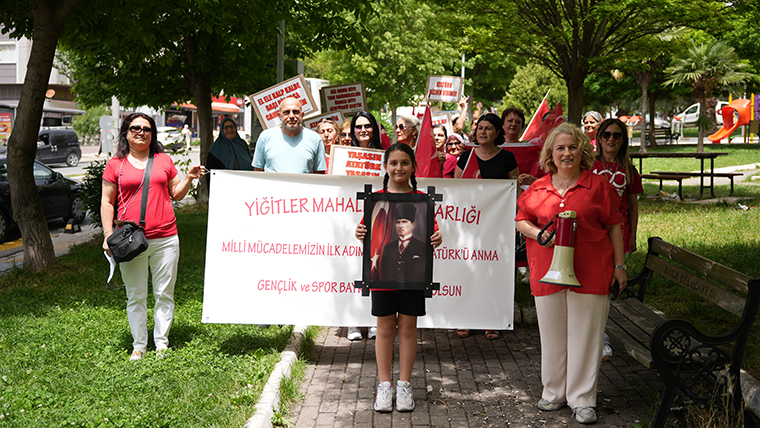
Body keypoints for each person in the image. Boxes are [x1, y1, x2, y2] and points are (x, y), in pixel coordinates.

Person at [515, 122, 626, 424]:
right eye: (560, 148)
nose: (567, 152)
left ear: (583, 151)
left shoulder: (599, 185)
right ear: (550, 153)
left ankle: (582, 399)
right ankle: (553, 393)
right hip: (546, 273)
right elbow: (520, 220)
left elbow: (614, 225)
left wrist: (619, 266)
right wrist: (539, 234)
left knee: (586, 337)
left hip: (591, 271)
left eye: (572, 147)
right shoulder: (538, 187)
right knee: (552, 337)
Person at [101, 112, 205, 361]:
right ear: (126, 133)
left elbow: (177, 194)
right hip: (130, 241)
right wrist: (107, 235)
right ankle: (139, 345)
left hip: (166, 238)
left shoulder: (164, 161)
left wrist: (189, 178)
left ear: (152, 134)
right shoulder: (116, 164)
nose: (141, 132)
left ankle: (161, 343)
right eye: (135, 128)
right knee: (135, 294)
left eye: (146, 129)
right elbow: (107, 202)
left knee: (164, 293)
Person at [355, 143, 442, 413]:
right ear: (385, 166)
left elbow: (432, 230)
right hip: (383, 276)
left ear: (414, 166)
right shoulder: (376, 199)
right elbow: (368, 234)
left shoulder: (421, 201)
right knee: (383, 328)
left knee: (407, 328)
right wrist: (360, 233)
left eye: (405, 163)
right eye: (393, 163)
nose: (399, 168)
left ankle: (404, 385)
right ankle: (384, 385)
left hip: (414, 280)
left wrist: (438, 237)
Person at [455, 113, 519, 340]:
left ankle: (492, 320)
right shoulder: (465, 158)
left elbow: (514, 192)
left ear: (498, 133)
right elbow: (456, 192)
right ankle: (466, 317)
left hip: (496, 227)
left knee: (493, 271)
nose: (482, 132)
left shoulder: (508, 159)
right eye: (479, 128)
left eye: (488, 128)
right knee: (468, 270)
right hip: (469, 224)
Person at [592, 118, 642, 254]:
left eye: (617, 135)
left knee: (617, 271)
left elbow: (632, 207)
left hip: (620, 230)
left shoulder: (630, 170)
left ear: (623, 140)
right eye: (606, 135)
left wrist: (633, 236)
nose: (611, 139)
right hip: (592, 229)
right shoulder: (587, 166)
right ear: (599, 138)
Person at [252, 97, 326, 174]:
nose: (291, 116)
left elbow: (320, 174)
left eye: (295, 112)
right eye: (286, 112)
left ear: (302, 115)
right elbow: (258, 171)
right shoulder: (265, 137)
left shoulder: (315, 139)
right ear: (279, 116)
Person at [380, 204, 427, 283]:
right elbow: (385, 275)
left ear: (413, 225)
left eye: (404, 222)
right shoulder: (388, 248)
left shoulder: (422, 247)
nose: (400, 226)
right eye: (398, 222)